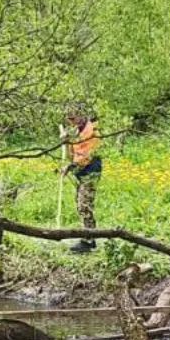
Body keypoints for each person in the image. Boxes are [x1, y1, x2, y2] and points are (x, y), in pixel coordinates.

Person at [62, 105, 101, 254]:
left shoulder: (92, 131)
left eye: (73, 118)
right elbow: (71, 154)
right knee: (80, 204)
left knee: (84, 205)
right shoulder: (76, 131)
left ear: (81, 115)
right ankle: (88, 237)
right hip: (80, 172)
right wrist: (65, 142)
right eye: (69, 119)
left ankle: (88, 240)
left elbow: (88, 155)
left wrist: (71, 166)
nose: (71, 122)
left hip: (90, 171)